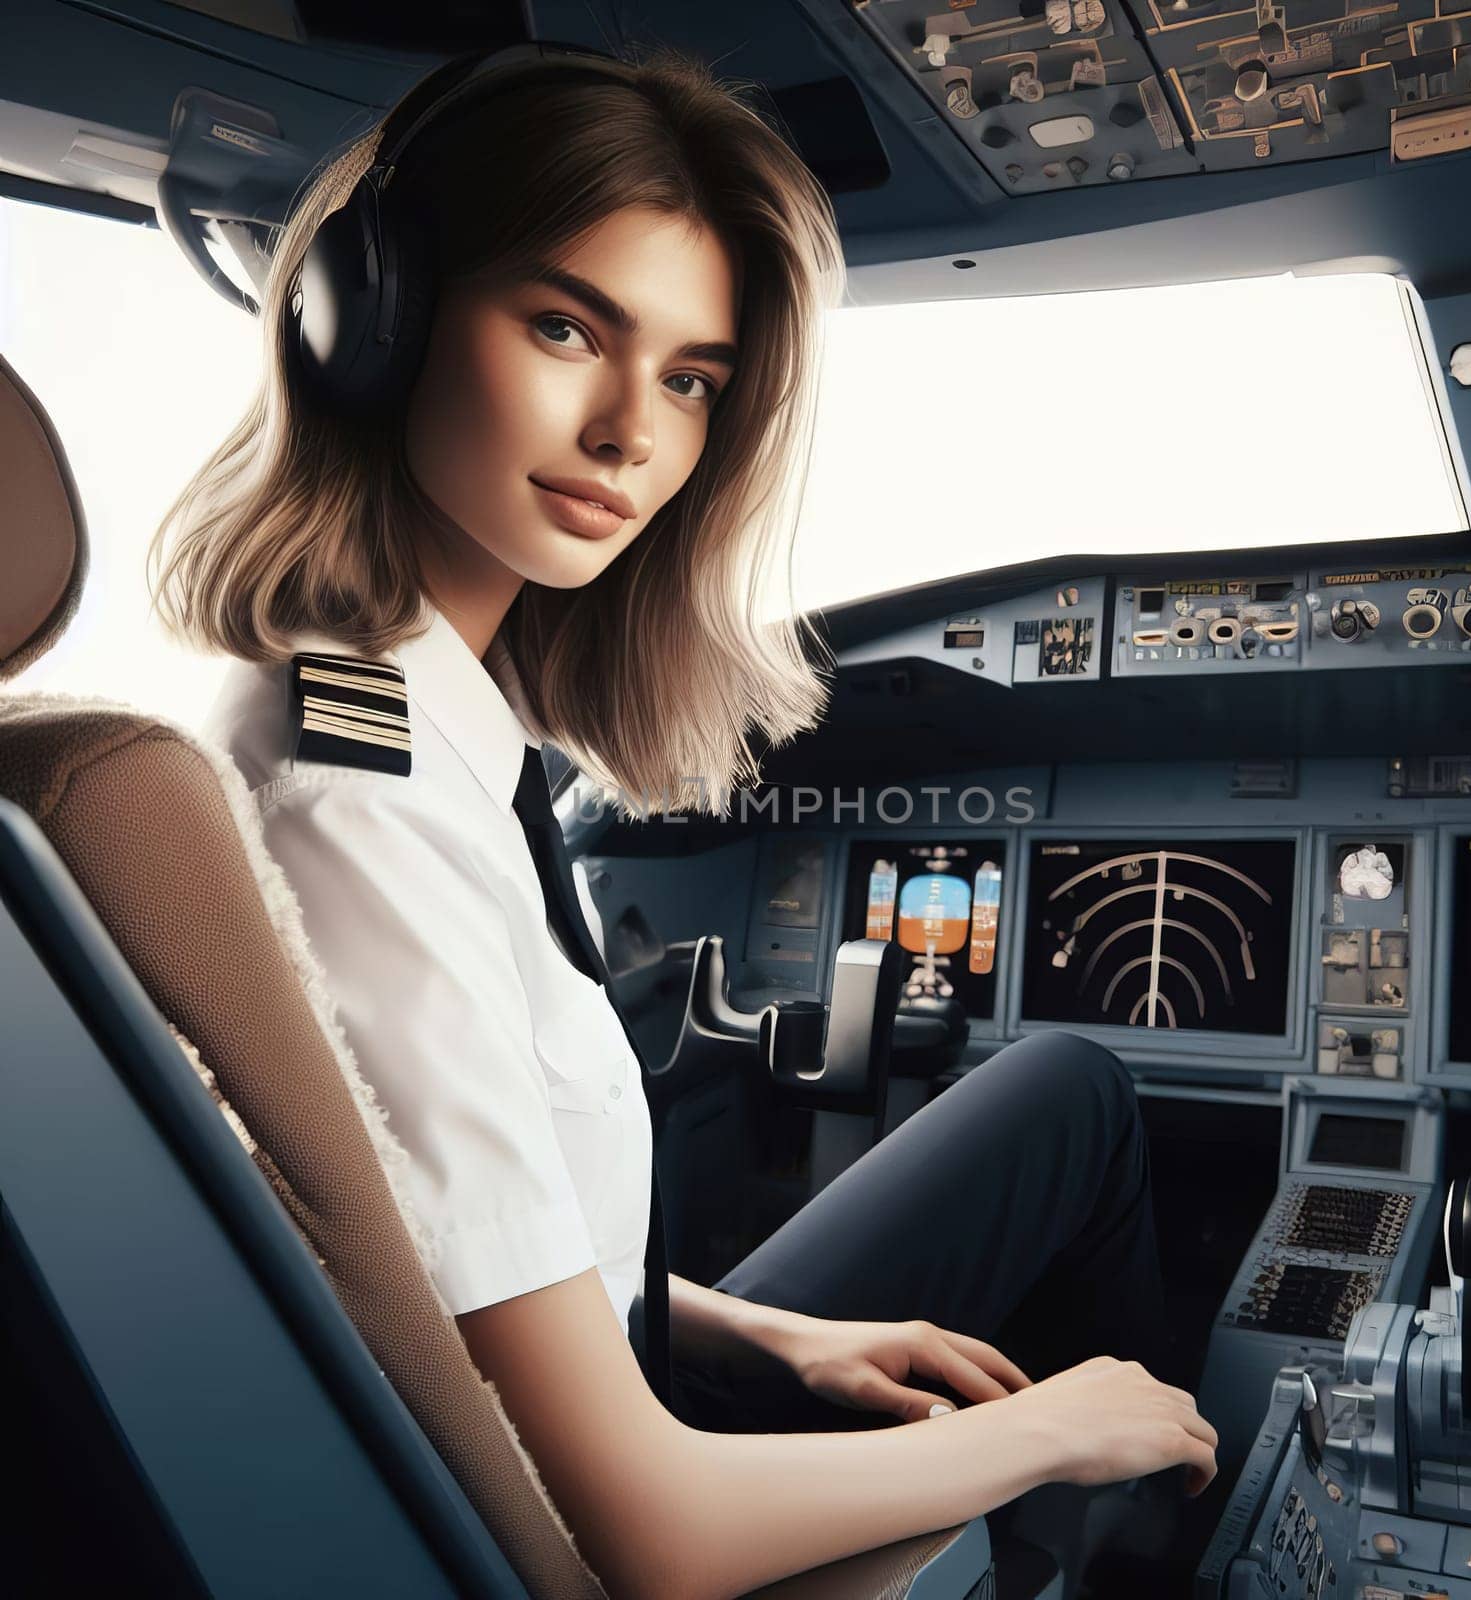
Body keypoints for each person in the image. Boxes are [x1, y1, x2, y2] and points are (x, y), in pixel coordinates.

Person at [150, 43, 1218, 1600]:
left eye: (692, 378)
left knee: (1062, 1084)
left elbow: (459, 1263)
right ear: (372, 321)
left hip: (607, 1380)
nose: (630, 432)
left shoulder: (430, 724)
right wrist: (1053, 1431)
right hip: (596, 1507)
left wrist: (784, 1333)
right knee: (1077, 1119)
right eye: (568, 326)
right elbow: (644, 1535)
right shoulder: (356, 800)